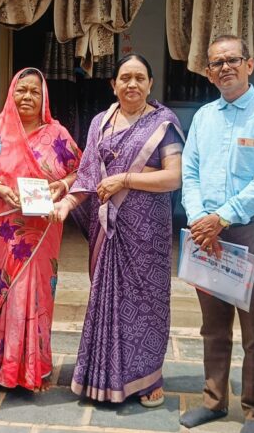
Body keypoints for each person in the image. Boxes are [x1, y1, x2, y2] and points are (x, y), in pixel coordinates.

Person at [49, 53, 184, 408]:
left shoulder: (163, 123)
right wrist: (67, 204)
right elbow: (88, 175)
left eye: (140, 78)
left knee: (146, 302)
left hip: (147, 231)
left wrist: (125, 179)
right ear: (113, 85)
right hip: (107, 228)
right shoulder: (101, 122)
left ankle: (148, 377)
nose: (132, 84)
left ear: (151, 84)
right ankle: (102, 376)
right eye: (125, 78)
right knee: (106, 301)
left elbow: (174, 176)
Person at [179, 36, 254, 432]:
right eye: (217, 63)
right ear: (208, 72)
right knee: (213, 325)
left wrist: (222, 218)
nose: (225, 67)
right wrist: (200, 219)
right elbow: (190, 171)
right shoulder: (204, 116)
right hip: (205, 235)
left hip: (247, 232)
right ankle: (213, 401)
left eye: (232, 60)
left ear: (249, 64)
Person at [0, 68, 81, 395]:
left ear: (44, 98)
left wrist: (61, 185)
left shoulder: (57, 135)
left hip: (41, 232)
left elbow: (81, 172)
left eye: (34, 92)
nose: (27, 97)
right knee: (3, 297)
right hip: (3, 232)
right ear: (11, 93)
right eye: (21, 90)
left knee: (38, 297)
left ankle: (36, 369)